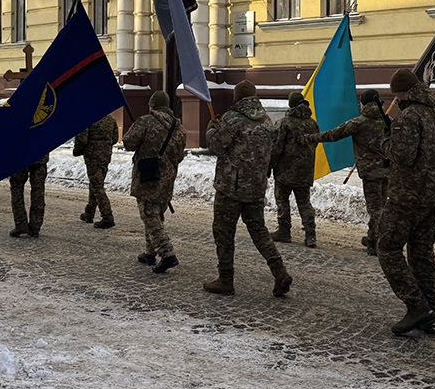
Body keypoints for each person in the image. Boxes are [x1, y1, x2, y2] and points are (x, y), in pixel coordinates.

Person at [377, 69, 435, 336]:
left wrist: (385, 142)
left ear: (400, 93)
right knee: (422, 252)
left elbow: (403, 156)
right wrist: (431, 173)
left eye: (395, 95)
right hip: (432, 197)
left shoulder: (406, 117)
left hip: (405, 197)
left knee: (387, 247)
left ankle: (416, 305)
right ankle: (429, 311)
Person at [203, 80, 293, 298]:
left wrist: (211, 128)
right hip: (255, 187)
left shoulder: (232, 119)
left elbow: (215, 145)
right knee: (259, 231)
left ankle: (226, 280)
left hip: (230, 188)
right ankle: (279, 271)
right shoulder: (266, 120)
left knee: (224, 232)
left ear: (236, 97)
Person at [316, 89, 392, 255]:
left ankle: (377, 242)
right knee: (383, 206)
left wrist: (314, 137)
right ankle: (376, 238)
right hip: (388, 171)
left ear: (363, 103)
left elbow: (335, 134)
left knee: (375, 209)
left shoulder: (359, 123)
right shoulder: (389, 122)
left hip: (371, 173)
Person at [122, 91, 187, 274]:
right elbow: (180, 155)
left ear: (152, 105)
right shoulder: (179, 127)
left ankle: (167, 254)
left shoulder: (145, 121)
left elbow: (128, 143)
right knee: (155, 214)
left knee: (149, 216)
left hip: (148, 176)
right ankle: (150, 253)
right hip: (168, 178)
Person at [270, 92, 321, 248]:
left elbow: (276, 148)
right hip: (305, 171)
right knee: (304, 202)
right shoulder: (313, 123)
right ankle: (310, 235)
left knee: (282, 200)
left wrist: (270, 165)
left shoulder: (284, 123)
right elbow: (315, 143)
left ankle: (284, 231)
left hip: (285, 171)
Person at [74, 113, 119, 229]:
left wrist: (77, 150)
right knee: (95, 184)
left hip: (92, 156)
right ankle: (89, 212)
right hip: (105, 155)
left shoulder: (88, 118)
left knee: (97, 187)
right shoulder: (111, 119)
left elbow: (82, 139)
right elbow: (115, 139)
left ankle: (107, 216)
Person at [9, 154, 49, 238]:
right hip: (40, 156)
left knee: (17, 188)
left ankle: (21, 224)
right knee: (38, 191)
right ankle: (35, 226)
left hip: (19, 157)